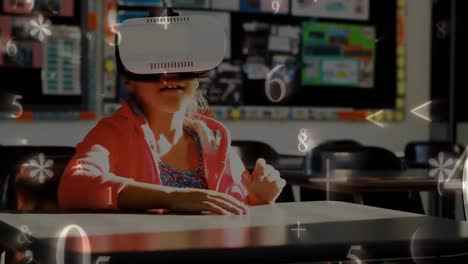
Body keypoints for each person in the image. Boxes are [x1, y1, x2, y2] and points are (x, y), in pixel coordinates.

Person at [58, 25, 285, 216]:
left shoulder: (213, 140)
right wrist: (172, 197)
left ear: (197, 78)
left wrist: (256, 198)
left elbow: (234, 211)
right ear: (129, 80)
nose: (169, 76)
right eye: (153, 66)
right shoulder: (114, 133)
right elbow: (74, 186)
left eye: (182, 65)